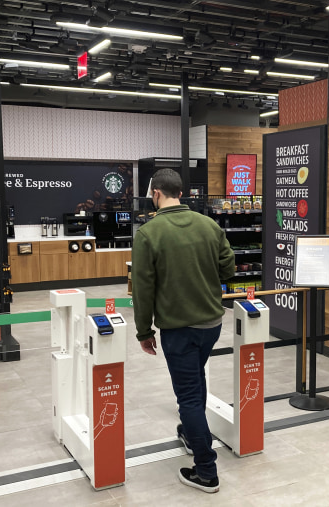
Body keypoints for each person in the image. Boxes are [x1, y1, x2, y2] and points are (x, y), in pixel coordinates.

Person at [131, 168, 235, 493]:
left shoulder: (148, 233)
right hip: (212, 325)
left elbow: (143, 289)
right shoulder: (209, 225)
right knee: (197, 380)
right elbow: (229, 268)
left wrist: (143, 331)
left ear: (156, 194)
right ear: (181, 192)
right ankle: (192, 436)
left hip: (178, 328)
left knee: (188, 396)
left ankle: (206, 471)